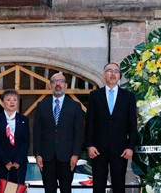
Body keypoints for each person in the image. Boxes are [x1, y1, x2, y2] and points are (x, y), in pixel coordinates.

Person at [85, 62, 138, 193]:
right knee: (98, 186)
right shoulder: (94, 95)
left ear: (119, 75)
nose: (113, 74)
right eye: (109, 71)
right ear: (104, 75)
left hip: (120, 149)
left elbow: (132, 124)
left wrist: (130, 147)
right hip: (98, 149)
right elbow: (89, 122)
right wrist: (90, 145)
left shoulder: (128, 97)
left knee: (119, 186)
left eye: (116, 71)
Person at [34, 72, 84, 193]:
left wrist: (76, 154)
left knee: (66, 189)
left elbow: (79, 132)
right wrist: (37, 154)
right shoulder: (41, 106)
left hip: (67, 157)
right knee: (49, 190)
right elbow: (36, 131)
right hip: (47, 157)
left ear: (66, 85)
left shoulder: (75, 106)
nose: (58, 84)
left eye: (61, 81)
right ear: (50, 86)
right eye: (54, 82)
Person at [0, 90, 30, 188]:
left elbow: (26, 141)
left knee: (16, 189)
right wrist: (5, 160)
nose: (12, 102)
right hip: (2, 163)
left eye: (15, 100)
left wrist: (18, 160)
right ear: (3, 102)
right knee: (4, 189)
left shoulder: (24, 119)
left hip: (19, 164)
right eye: (8, 100)